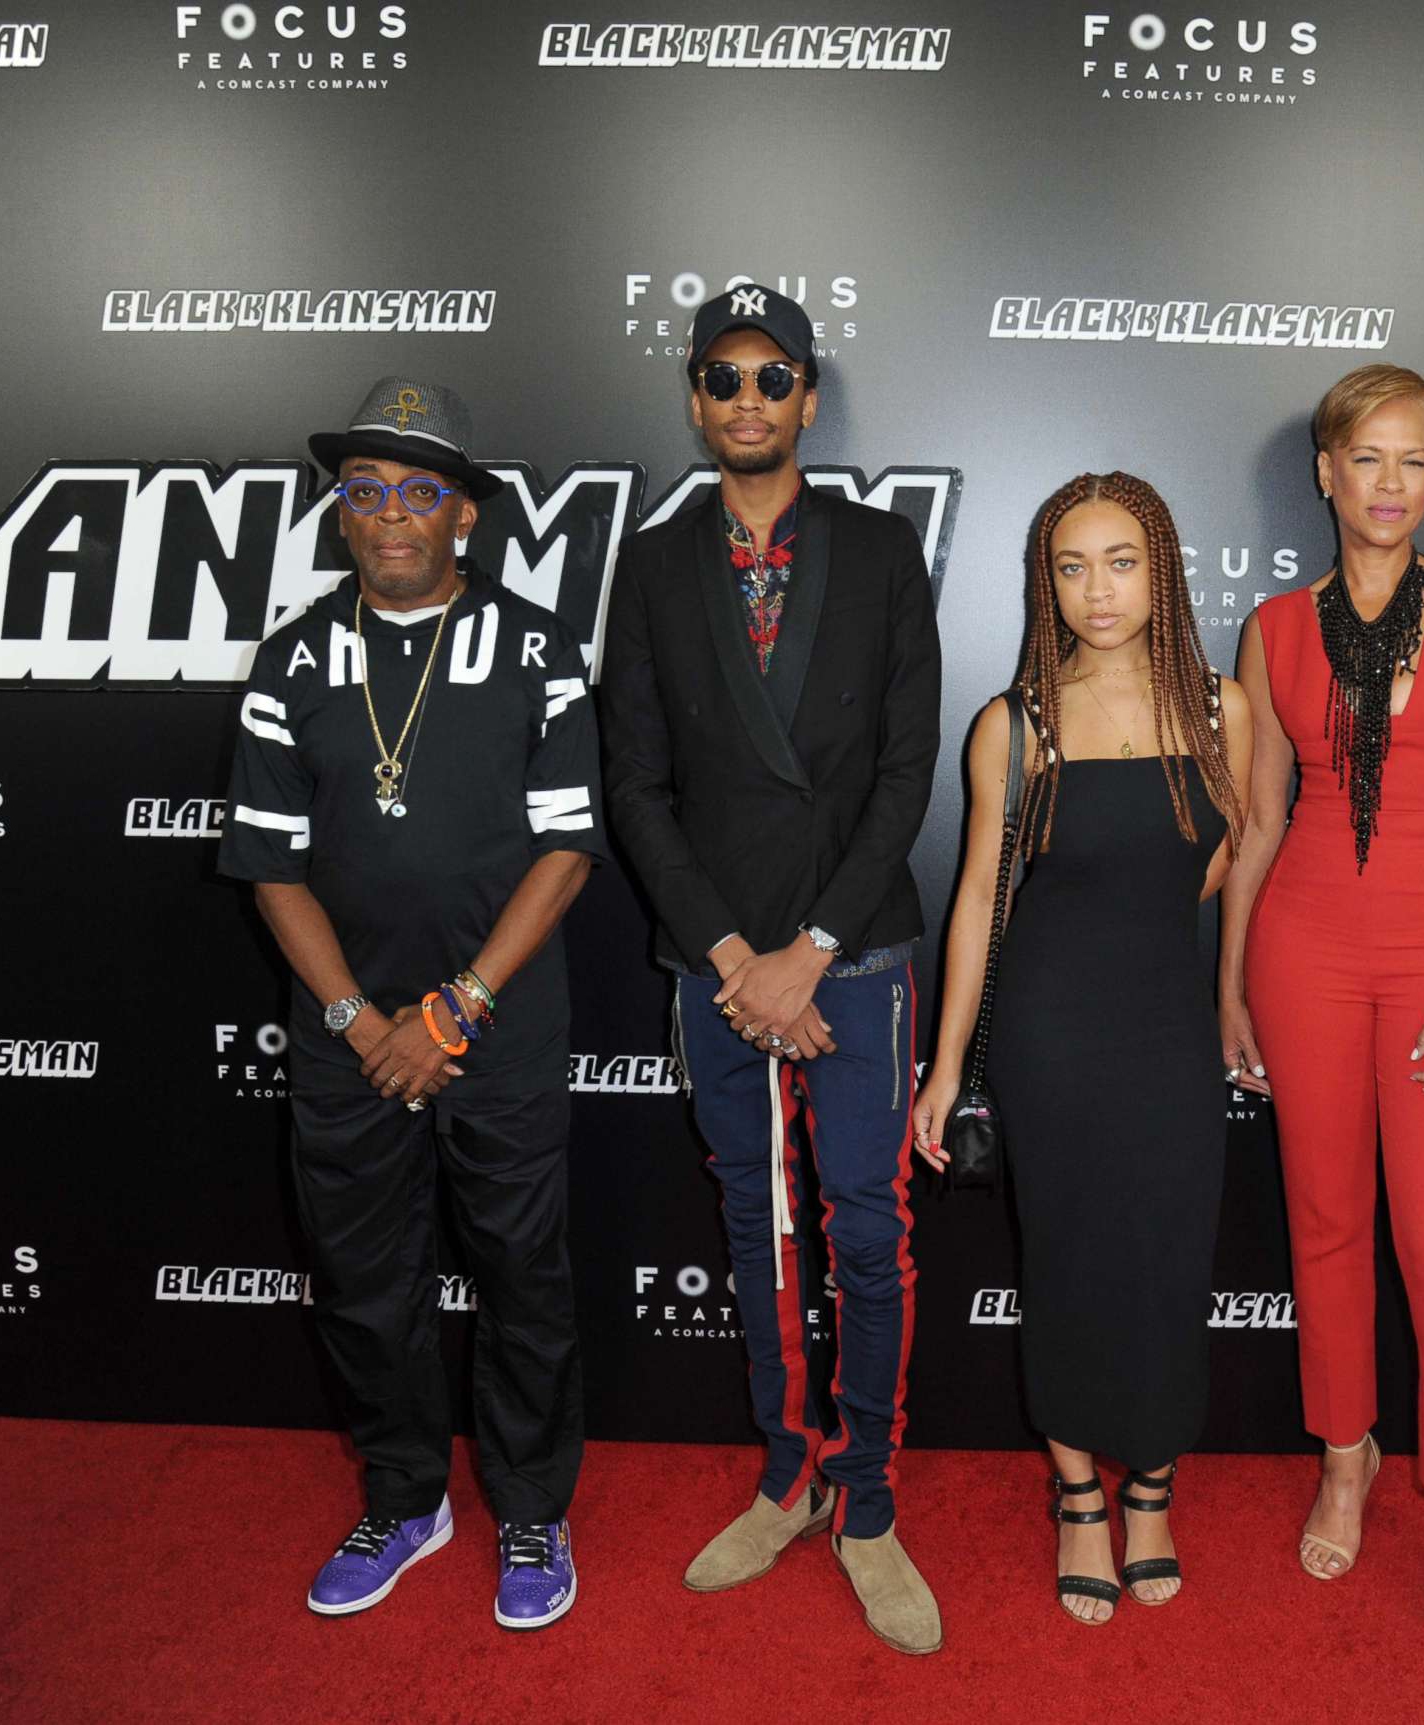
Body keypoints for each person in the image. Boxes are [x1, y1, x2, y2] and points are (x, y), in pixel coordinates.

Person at [218, 376, 606, 1631]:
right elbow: (272, 865)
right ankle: (405, 1495)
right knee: (362, 1281)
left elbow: (566, 850)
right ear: (341, 516)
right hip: (347, 1038)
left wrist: (458, 1008)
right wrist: (356, 1021)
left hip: (495, 1030)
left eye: (419, 492)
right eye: (366, 492)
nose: (392, 515)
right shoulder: (292, 659)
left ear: (466, 516)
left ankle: (532, 1509)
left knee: (522, 1277)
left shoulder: (539, 649)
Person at [599, 286, 944, 1656]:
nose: (748, 401)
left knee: (866, 1227)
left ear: (808, 397)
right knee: (759, 1222)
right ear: (696, 399)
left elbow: (908, 769)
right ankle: (786, 1470)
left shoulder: (878, 548)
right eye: (723, 378)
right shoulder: (652, 564)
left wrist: (811, 950)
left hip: (852, 952)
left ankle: (865, 1503)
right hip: (719, 959)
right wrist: (738, 953)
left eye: (774, 377)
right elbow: (635, 784)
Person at [1218, 364, 1424, 1634]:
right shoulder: (1274, 627)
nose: (1391, 485)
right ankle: (1343, 1463)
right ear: (1326, 473)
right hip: (1301, 949)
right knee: (1323, 1224)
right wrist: (1231, 986)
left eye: (1414, 461)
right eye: (1368, 460)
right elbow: (1257, 826)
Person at [913, 472, 1250, 1626]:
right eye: (1070, 565)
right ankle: (1078, 1500)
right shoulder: (1015, 724)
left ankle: (1150, 1486)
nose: (1096, 590)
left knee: (1165, 1264)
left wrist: (1228, 992)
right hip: (1051, 1044)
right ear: (1043, 582)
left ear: (1161, 571)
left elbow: (1224, 861)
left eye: (1120, 562)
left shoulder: (1224, 709)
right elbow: (978, 902)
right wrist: (948, 1065)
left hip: (1168, 1037)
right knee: (1063, 1268)